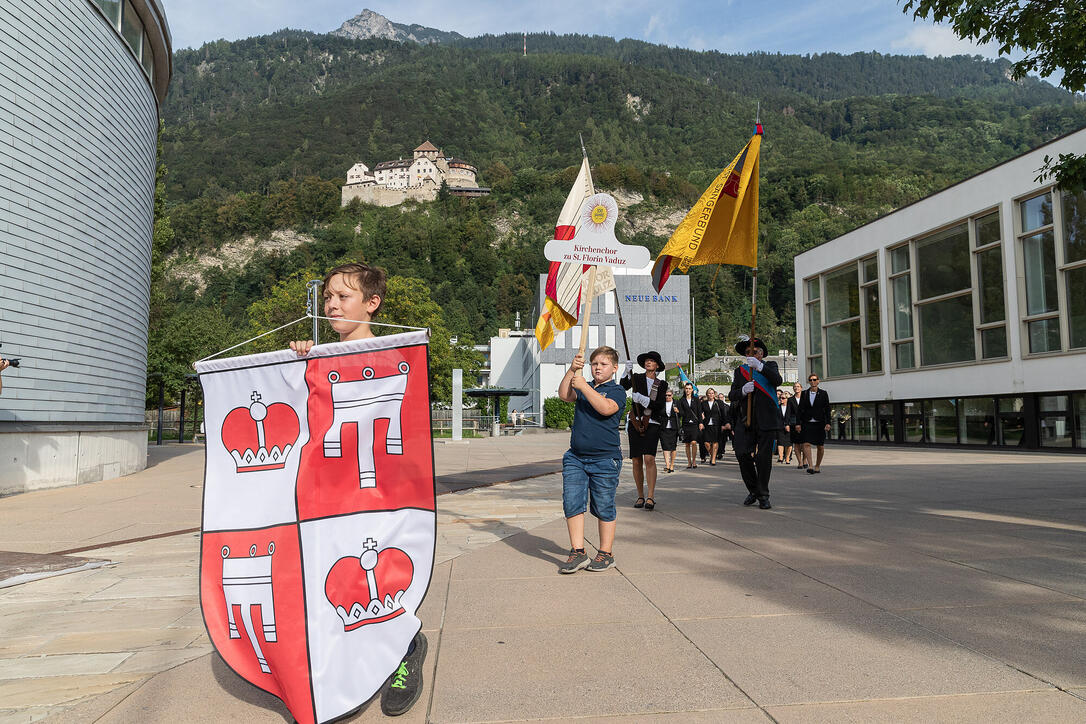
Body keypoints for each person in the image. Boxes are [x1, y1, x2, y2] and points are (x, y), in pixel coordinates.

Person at [289, 262, 425, 718]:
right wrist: (300, 359)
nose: (331, 304)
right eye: (328, 296)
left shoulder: (393, 355)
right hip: (332, 494)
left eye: (343, 297)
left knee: (384, 573)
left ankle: (406, 646)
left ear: (372, 303)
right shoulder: (321, 357)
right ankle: (341, 670)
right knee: (334, 577)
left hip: (384, 494)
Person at [557, 346, 626, 573]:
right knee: (572, 501)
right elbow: (565, 395)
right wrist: (572, 370)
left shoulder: (616, 391)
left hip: (605, 460)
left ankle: (606, 553)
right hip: (576, 457)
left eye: (603, 364)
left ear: (614, 368)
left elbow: (606, 409)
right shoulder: (584, 386)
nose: (598, 368)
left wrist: (584, 385)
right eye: (594, 363)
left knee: (603, 505)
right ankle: (578, 551)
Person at [728, 337, 783, 510]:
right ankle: (754, 490)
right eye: (748, 353)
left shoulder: (770, 366)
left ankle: (763, 495)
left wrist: (760, 367)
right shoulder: (740, 371)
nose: (750, 355)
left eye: (754, 352)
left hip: (767, 420)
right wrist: (743, 391)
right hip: (746, 420)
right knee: (742, 454)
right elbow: (732, 394)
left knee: (763, 459)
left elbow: (777, 381)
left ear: (761, 354)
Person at [621, 351, 668, 511]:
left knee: (649, 458)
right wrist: (626, 372)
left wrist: (643, 399)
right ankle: (640, 495)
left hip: (653, 422)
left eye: (652, 361)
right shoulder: (638, 378)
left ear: (657, 366)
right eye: (647, 360)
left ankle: (651, 496)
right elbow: (623, 386)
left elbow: (660, 405)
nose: (648, 362)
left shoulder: (661, 384)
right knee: (636, 460)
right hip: (636, 422)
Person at [796, 372, 831, 475]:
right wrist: (798, 423)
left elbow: (827, 409)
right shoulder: (805, 393)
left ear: (818, 381)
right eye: (811, 380)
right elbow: (799, 410)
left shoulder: (823, 393)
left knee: (820, 446)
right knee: (806, 443)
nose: (813, 381)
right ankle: (810, 465)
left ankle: (817, 466)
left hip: (820, 423)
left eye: (814, 379)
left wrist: (828, 423)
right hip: (807, 422)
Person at [700, 388, 729, 466]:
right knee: (706, 442)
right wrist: (701, 422)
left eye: (712, 393)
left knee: (715, 441)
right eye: (709, 393)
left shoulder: (718, 402)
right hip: (707, 425)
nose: (711, 395)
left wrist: (724, 424)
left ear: (714, 394)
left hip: (717, 424)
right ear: (707, 394)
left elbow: (723, 414)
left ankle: (713, 460)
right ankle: (712, 454)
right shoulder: (703, 403)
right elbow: (700, 413)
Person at [676, 382, 702, 469]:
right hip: (686, 424)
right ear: (684, 389)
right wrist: (678, 411)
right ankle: (689, 462)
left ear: (692, 390)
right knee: (687, 444)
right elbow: (681, 414)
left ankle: (694, 461)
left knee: (694, 442)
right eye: (686, 388)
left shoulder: (696, 400)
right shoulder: (681, 400)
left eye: (689, 388)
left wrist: (701, 423)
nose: (688, 390)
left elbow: (699, 412)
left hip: (694, 424)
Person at [658, 389, 681, 474]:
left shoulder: (676, 403)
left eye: (669, 395)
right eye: (666, 395)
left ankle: (672, 464)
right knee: (665, 447)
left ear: (672, 396)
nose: (667, 397)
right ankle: (667, 466)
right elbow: (658, 413)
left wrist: (678, 411)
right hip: (663, 428)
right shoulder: (661, 403)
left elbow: (682, 413)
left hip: (673, 428)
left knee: (672, 447)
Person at [786, 382, 806, 468]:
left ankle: (805, 461)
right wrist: (787, 424)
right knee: (797, 444)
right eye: (794, 387)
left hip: (805, 423)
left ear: (801, 388)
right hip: (794, 424)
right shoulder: (790, 399)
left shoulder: (806, 398)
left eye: (798, 386)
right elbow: (788, 413)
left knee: (805, 443)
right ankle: (800, 462)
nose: (796, 388)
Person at [776, 390, 792, 464]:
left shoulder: (790, 407)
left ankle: (787, 457)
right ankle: (781, 457)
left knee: (789, 443)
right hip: (780, 427)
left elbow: (792, 417)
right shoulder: (778, 407)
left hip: (789, 427)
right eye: (780, 398)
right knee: (780, 442)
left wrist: (788, 424)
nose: (781, 399)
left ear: (787, 399)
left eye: (783, 398)